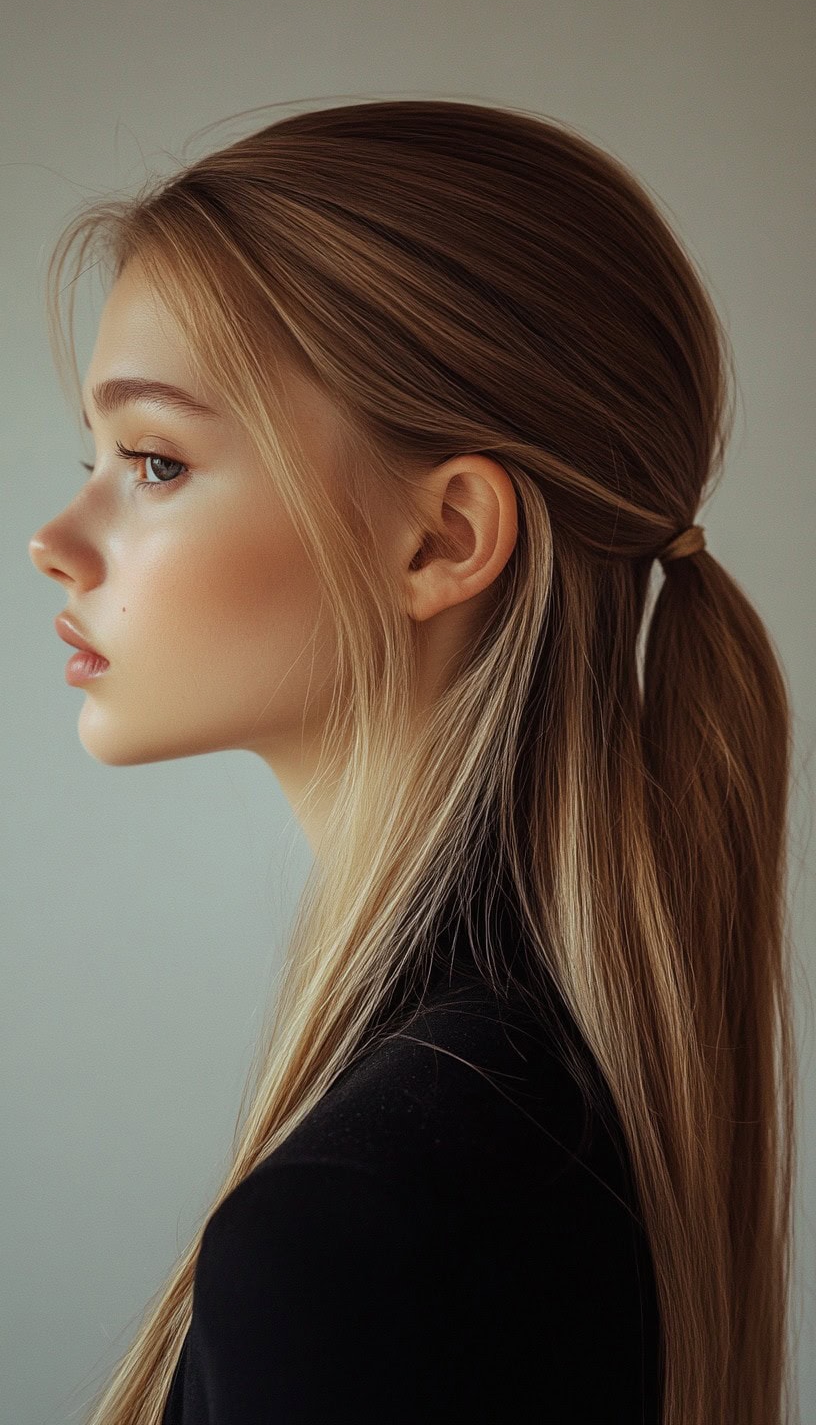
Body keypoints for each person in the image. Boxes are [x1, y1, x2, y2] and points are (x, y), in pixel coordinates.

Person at [29, 98, 796, 1425]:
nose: (54, 535)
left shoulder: (358, 1229)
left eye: (152, 461)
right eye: (90, 457)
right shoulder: (524, 1120)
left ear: (443, 539)